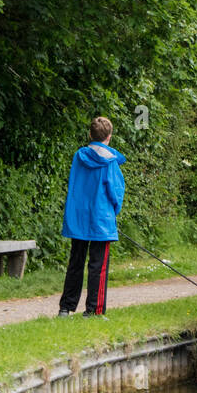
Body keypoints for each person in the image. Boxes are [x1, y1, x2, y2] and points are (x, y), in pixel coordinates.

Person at [59, 116, 125, 317]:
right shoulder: (110, 162)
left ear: (90, 135)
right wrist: (114, 211)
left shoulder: (79, 156)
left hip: (78, 217)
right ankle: (93, 310)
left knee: (75, 262)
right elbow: (116, 192)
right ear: (109, 137)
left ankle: (66, 308)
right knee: (99, 266)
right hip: (101, 220)